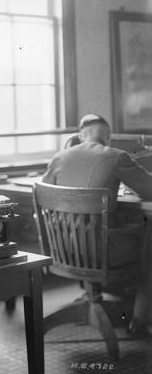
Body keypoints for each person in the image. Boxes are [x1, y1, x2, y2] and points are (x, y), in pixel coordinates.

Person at [42, 113, 152, 335]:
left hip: (62, 251)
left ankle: (95, 298)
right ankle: (140, 320)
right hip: (100, 254)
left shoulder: (59, 158)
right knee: (150, 242)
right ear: (108, 137)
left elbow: (44, 190)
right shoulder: (116, 156)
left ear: (81, 137)